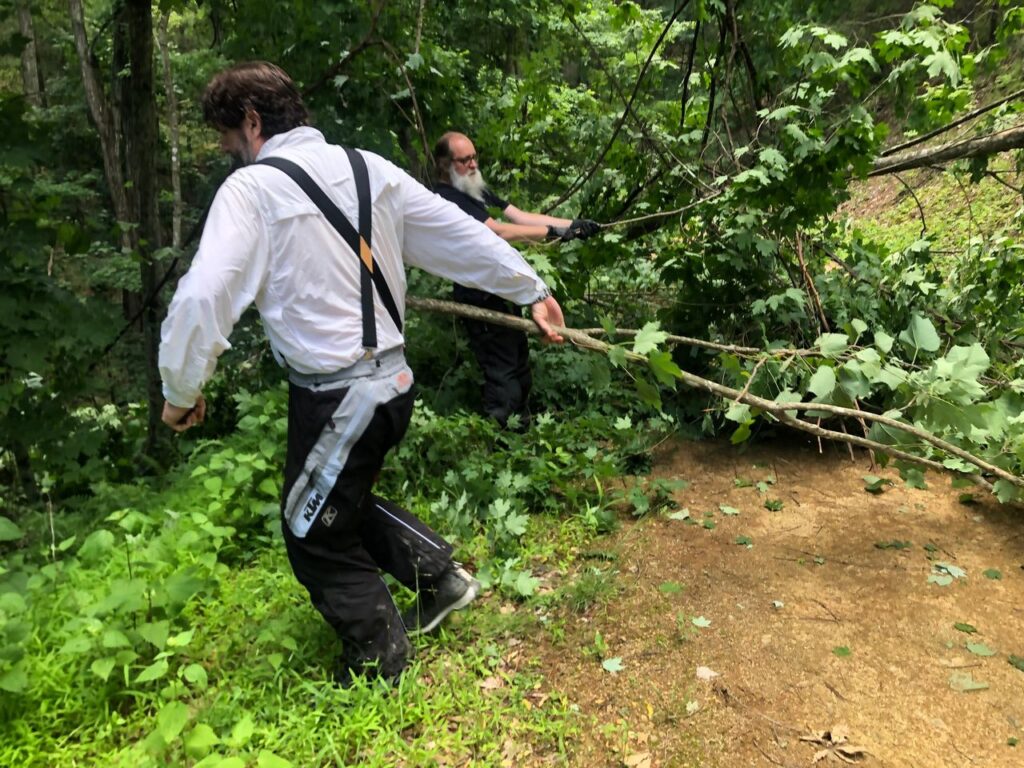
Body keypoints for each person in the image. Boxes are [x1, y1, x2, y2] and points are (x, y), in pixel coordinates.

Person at [158, 62, 566, 685]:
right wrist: (528, 286)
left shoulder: (253, 191)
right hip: (391, 385)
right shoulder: (367, 167)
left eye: (228, 140)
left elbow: (203, 295)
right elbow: (453, 233)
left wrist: (179, 390)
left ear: (252, 121)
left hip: (337, 396)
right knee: (332, 500)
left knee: (310, 534)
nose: (228, 156)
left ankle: (380, 662)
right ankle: (440, 579)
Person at [432, 131, 600, 427]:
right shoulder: (447, 197)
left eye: (474, 157)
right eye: (464, 160)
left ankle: (520, 433)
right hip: (478, 293)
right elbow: (498, 230)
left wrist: (573, 225)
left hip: (502, 288)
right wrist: (553, 232)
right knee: (503, 369)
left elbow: (520, 216)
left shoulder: (474, 189)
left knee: (519, 361)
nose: (473, 165)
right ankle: (502, 438)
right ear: (445, 165)